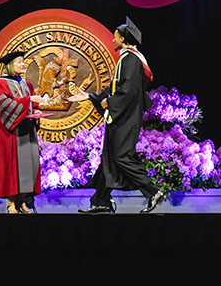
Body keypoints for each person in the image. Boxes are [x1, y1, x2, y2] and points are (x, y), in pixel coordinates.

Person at [69, 17, 166, 214]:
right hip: (122, 114)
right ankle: (102, 201)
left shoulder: (131, 59)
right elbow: (114, 87)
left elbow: (128, 90)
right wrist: (88, 96)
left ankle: (153, 191)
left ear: (123, 38)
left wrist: (110, 103)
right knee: (110, 157)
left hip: (126, 116)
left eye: (115, 37)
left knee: (121, 156)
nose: (113, 40)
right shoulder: (126, 58)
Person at [0, 50, 46, 214]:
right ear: (10, 66)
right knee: (11, 166)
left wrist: (36, 108)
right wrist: (29, 101)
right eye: (19, 62)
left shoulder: (26, 84)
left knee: (28, 165)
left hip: (26, 129)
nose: (23, 65)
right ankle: (10, 203)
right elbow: (4, 105)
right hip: (10, 132)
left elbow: (31, 104)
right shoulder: (1, 83)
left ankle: (22, 201)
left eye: (23, 62)